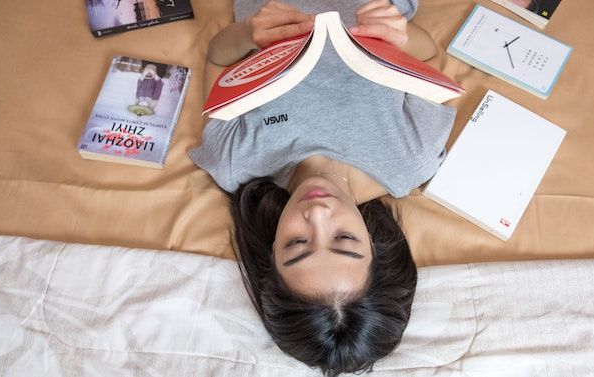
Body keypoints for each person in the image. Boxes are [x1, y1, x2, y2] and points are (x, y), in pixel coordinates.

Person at [189, 1, 456, 375]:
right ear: (376, 245)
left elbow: (218, 61)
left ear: (271, 252)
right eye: (344, 238)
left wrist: (248, 32)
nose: (316, 215)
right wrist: (404, 36)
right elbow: (428, 55)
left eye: (297, 244)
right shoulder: (413, 156)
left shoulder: (236, 161)